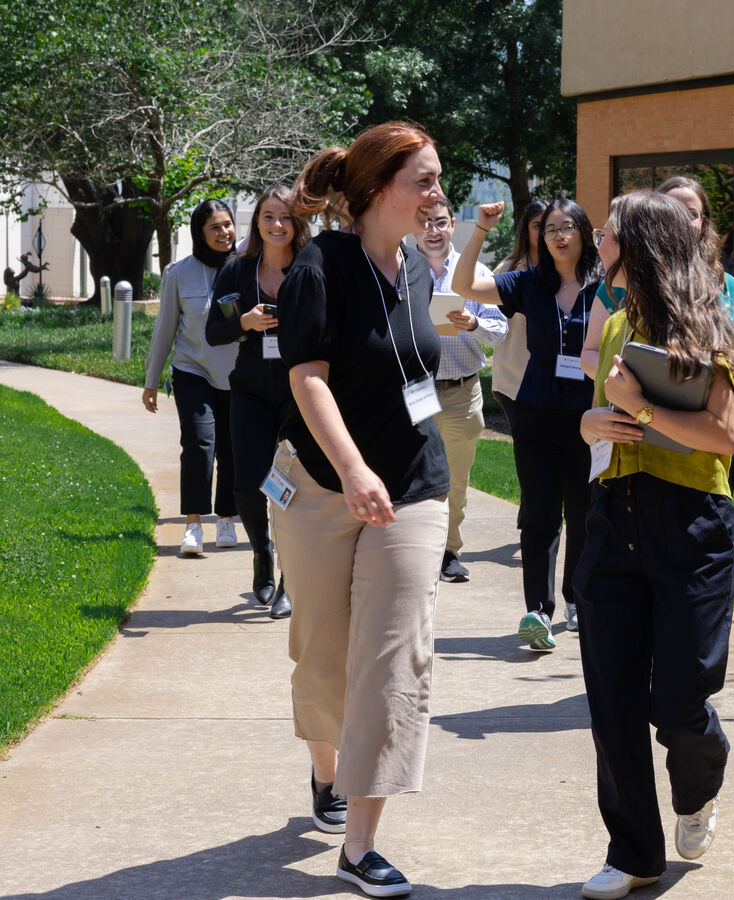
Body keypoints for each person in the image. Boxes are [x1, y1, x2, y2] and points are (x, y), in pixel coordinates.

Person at [271, 122, 450, 898]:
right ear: (379, 189)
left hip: (411, 482)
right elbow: (308, 378)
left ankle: (360, 843)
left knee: (394, 655)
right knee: (322, 647)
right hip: (317, 482)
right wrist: (351, 470)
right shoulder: (321, 266)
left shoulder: (417, 266)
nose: (436, 194)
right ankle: (326, 768)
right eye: (425, 179)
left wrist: (379, 475)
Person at [575, 190, 734, 899]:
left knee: (678, 701)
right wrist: (593, 426)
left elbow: (724, 438)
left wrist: (641, 407)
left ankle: (701, 777)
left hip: (692, 523)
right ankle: (634, 853)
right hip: (614, 516)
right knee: (612, 697)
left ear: (637, 246)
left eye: (608, 232)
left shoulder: (707, 324)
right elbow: (598, 421)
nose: (597, 240)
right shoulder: (614, 322)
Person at [452, 198, 602, 649]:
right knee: (539, 516)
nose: (557, 235)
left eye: (567, 227)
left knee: (582, 512)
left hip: (589, 416)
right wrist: (479, 229)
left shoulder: (607, 286)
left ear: (583, 233)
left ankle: (575, 598)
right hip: (535, 411)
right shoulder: (527, 283)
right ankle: (537, 610)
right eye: (549, 228)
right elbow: (465, 283)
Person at [581, 179, 734, 492]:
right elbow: (597, 397)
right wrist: (589, 422)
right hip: (617, 499)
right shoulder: (616, 315)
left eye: (689, 213)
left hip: (685, 500)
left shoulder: (711, 313)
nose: (598, 246)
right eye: (671, 211)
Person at [206, 185, 307, 619]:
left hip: (303, 390)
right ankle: (262, 551)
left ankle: (290, 579)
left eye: (285, 217)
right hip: (250, 387)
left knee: (297, 491)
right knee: (247, 485)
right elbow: (214, 331)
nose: (277, 225)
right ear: (257, 222)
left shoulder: (311, 266)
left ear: (297, 222)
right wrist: (244, 323)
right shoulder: (237, 271)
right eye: (268, 217)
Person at [414, 197, 508, 583]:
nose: (432, 231)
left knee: (455, 479)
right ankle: (415, 551)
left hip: (460, 390)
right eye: (424, 223)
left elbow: (500, 332)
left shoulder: (475, 272)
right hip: (414, 391)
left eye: (439, 222)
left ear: (453, 224)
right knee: (409, 474)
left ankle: (448, 551)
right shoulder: (402, 271)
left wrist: (473, 324)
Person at [142, 199, 239, 555]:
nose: (224, 232)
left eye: (227, 224)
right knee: (199, 445)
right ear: (200, 233)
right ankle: (194, 525)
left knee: (231, 450)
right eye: (214, 227)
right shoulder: (178, 273)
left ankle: (226, 519)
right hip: (192, 370)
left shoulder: (247, 268)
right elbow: (165, 329)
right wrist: (152, 381)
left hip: (238, 375)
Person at [491, 199, 547, 431]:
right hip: (513, 380)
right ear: (525, 230)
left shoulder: (567, 272)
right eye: (537, 225)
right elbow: (491, 322)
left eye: (550, 226)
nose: (544, 232)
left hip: (551, 379)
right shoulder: (507, 271)